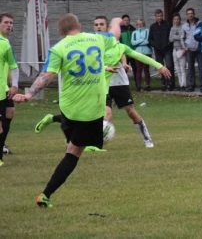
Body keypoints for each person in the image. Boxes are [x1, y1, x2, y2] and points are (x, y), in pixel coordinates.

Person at [13, 14, 115, 208]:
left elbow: (46, 76)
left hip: (68, 109)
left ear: (60, 32)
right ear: (79, 25)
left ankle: (55, 120)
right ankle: (45, 194)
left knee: (73, 144)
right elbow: (114, 35)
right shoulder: (97, 38)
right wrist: (116, 23)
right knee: (73, 153)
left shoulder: (58, 48)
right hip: (91, 111)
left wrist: (29, 95)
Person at [34, 17, 172, 149]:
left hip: (119, 83)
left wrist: (159, 66)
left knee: (130, 111)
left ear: (107, 28)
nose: (98, 27)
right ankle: (92, 143)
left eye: (101, 25)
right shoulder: (92, 44)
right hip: (100, 86)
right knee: (102, 115)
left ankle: (147, 139)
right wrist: (105, 68)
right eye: (96, 25)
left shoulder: (118, 46)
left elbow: (139, 56)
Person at [0, 13, 20, 164]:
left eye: (11, 23)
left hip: (4, 85)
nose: (9, 25)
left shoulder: (6, 42)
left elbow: (12, 66)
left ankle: (2, 144)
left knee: (10, 113)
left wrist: (13, 83)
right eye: (6, 22)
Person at [149, 9, 174, 91]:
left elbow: (171, 36)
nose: (159, 17)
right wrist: (155, 45)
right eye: (158, 16)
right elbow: (150, 39)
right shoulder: (153, 27)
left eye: (161, 16)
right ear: (155, 17)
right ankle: (163, 83)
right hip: (158, 50)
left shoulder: (168, 25)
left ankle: (170, 83)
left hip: (167, 49)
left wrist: (168, 44)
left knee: (169, 65)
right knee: (160, 67)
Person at [131, 19, 152, 91]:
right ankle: (138, 86)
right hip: (138, 52)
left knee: (146, 69)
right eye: (138, 24)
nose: (140, 25)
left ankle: (148, 85)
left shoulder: (147, 31)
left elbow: (147, 41)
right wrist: (141, 40)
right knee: (138, 69)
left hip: (147, 52)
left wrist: (139, 42)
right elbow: (133, 43)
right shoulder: (134, 33)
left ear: (144, 24)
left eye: (141, 24)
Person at [168, 13, 188, 90]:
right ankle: (180, 84)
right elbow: (170, 39)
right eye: (175, 19)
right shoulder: (172, 28)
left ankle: (184, 84)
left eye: (178, 19)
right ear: (173, 20)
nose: (176, 21)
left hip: (181, 49)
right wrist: (177, 37)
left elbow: (182, 37)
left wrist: (175, 37)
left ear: (180, 19)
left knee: (182, 67)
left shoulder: (182, 27)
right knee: (177, 68)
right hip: (174, 49)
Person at [182, 8, 199, 91]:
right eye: (188, 13)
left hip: (199, 49)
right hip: (189, 49)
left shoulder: (199, 24)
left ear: (194, 14)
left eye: (191, 13)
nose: (190, 15)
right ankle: (191, 85)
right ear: (187, 15)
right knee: (190, 68)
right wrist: (185, 47)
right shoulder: (184, 26)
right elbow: (182, 37)